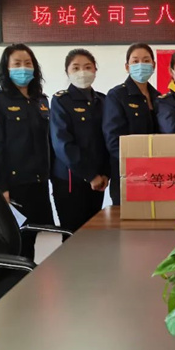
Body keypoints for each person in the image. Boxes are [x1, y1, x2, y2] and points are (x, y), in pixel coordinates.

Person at [0, 43, 52, 260]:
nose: (23, 69)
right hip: (13, 186)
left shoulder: (41, 100)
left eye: (28, 63)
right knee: (18, 242)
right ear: (7, 68)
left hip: (39, 183)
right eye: (17, 64)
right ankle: (20, 278)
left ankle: (33, 275)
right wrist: (0, 187)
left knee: (39, 235)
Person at [50, 49, 110, 237]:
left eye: (87, 67)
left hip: (98, 181)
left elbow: (107, 140)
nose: (82, 72)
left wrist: (106, 173)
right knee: (72, 236)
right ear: (67, 72)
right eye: (75, 68)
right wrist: (90, 175)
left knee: (92, 234)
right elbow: (62, 144)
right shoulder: (61, 101)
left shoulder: (103, 100)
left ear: (95, 70)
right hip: (71, 181)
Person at [103, 43, 160, 206]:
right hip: (127, 175)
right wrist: (136, 166)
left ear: (153, 65)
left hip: (156, 174)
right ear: (127, 67)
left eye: (146, 60)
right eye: (135, 61)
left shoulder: (159, 97)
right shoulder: (117, 95)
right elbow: (113, 140)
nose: (141, 65)